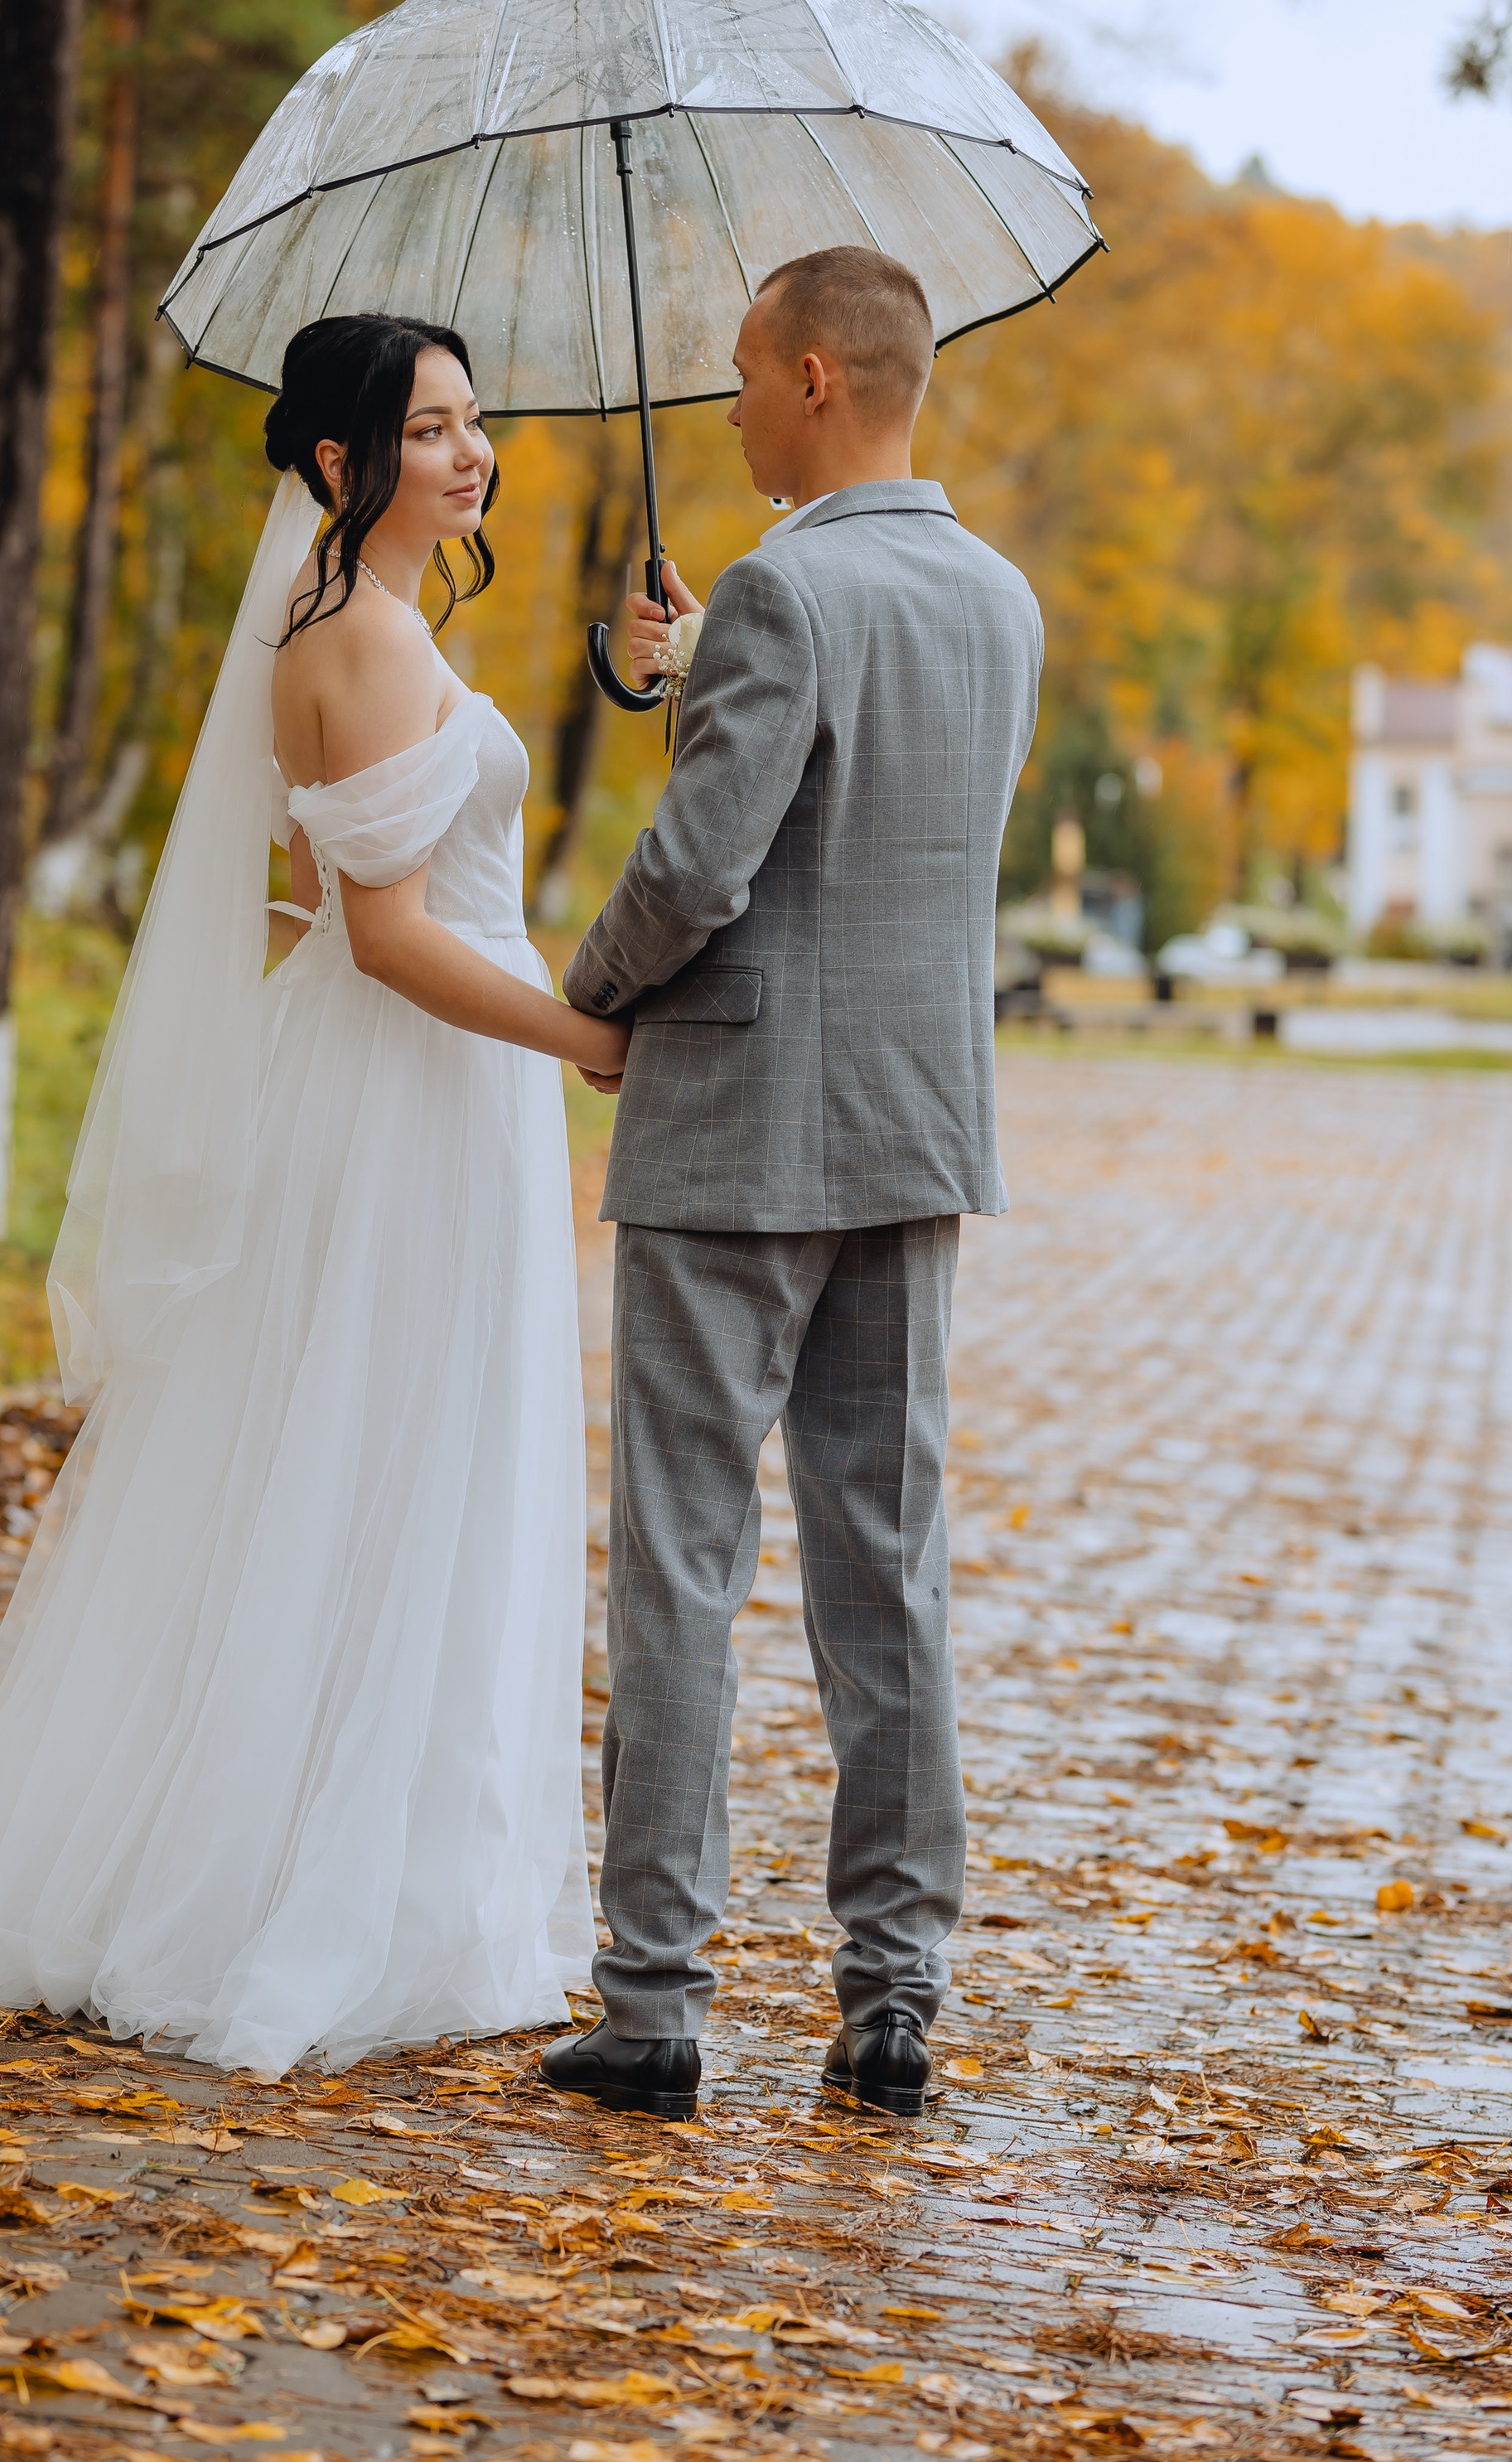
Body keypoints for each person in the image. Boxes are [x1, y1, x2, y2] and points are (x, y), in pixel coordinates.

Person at [0, 314, 625, 2076]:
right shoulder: (356, 640)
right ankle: (304, 1886)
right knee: (383, 1457)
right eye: (431, 428)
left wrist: (632, 676)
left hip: (410, 1093)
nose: (471, 451)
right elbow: (382, 936)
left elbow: (321, 893)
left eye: (472, 421)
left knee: (365, 1455)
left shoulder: (370, 630)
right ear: (341, 464)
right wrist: (585, 1035)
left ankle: (358, 1858)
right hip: (419, 1093)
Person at [542, 244, 1042, 2125]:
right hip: (913, 1136)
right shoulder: (997, 600)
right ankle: (892, 1998)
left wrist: (580, 999)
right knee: (882, 1566)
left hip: (734, 1135)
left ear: (821, 377)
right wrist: (699, 683)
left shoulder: (779, 587)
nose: (731, 402)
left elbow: (703, 873)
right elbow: (854, 839)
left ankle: (653, 2003)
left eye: (747, 372)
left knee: (679, 1561)